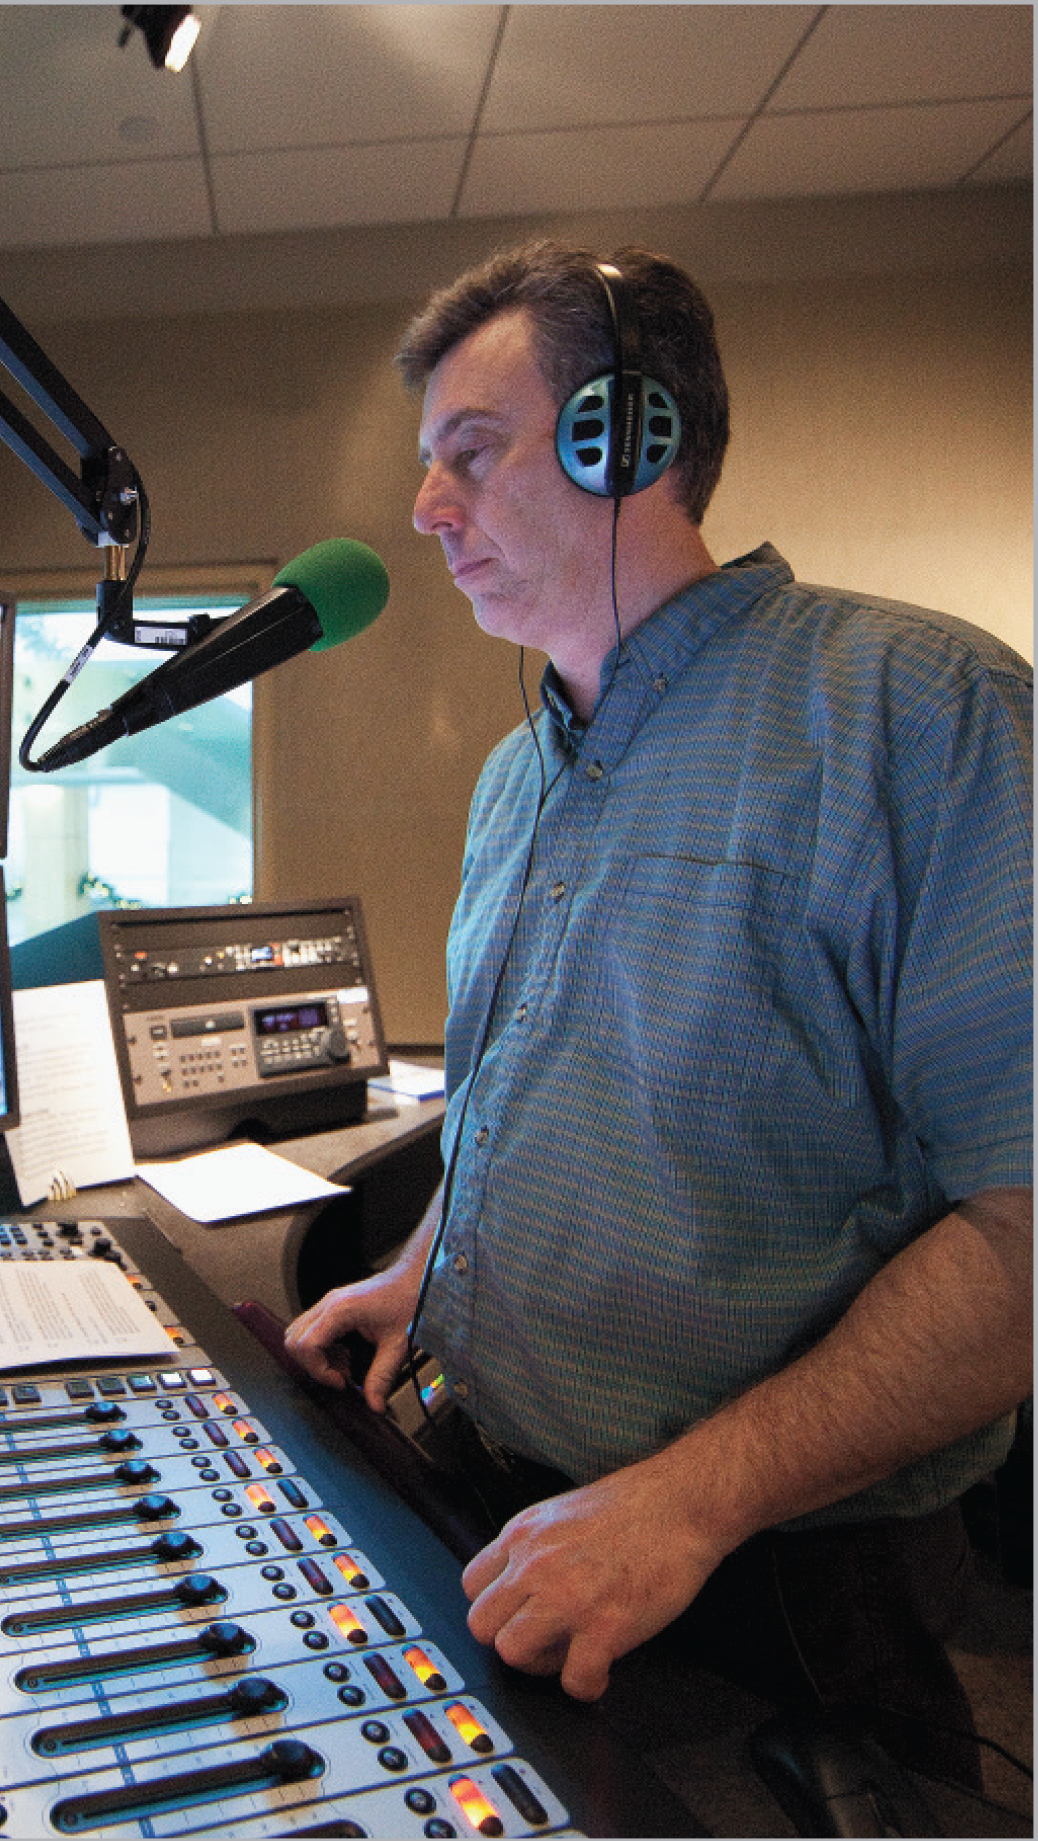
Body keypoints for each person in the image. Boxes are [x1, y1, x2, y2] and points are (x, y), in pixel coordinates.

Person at [285, 240, 1032, 1770]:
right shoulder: (516, 776)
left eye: (471, 458)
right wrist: (422, 1272)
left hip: (783, 1585)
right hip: (512, 1504)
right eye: (431, 467)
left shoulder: (924, 713)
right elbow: (526, 1099)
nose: (427, 511)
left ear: (626, 439)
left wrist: (692, 1496)